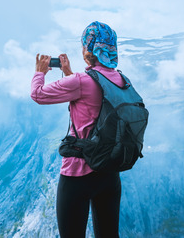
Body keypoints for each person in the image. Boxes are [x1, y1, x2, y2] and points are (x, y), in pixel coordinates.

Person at [30, 21, 124, 238]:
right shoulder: (120, 79)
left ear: (87, 50)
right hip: (109, 173)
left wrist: (40, 72)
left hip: (78, 175)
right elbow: (91, 101)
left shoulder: (80, 81)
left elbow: (38, 95)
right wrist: (68, 73)